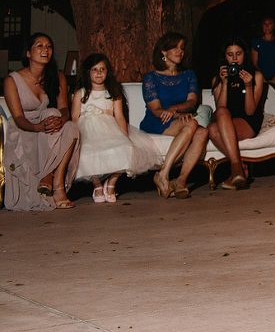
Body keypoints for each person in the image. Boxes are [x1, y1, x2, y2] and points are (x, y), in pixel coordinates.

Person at [2, 33, 80, 210]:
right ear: (28, 53)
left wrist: (61, 120)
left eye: (49, 46)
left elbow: (64, 109)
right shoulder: (12, 80)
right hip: (26, 129)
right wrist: (37, 127)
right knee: (50, 113)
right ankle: (51, 179)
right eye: (40, 46)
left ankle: (53, 179)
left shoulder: (57, 76)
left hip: (49, 127)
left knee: (72, 128)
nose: (45, 49)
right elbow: (18, 118)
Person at [70, 54, 161, 203]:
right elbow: (74, 118)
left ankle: (111, 182)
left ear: (108, 72)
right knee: (85, 151)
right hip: (86, 129)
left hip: (109, 128)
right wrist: (74, 137)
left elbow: (119, 116)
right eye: (94, 69)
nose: (99, 73)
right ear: (88, 72)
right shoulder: (81, 93)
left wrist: (125, 135)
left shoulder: (113, 92)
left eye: (102, 69)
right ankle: (97, 184)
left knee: (125, 148)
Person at [139, 32, 209, 199]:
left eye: (182, 48)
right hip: (157, 121)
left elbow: (192, 103)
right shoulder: (151, 78)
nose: (180, 51)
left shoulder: (189, 75)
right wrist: (177, 115)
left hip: (180, 118)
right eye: (175, 47)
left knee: (203, 132)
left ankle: (180, 181)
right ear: (163, 51)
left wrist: (176, 110)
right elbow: (155, 109)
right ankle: (163, 175)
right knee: (191, 124)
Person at [208, 37, 266, 190]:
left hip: (247, 122)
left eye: (238, 54)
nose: (234, 59)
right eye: (230, 55)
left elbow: (250, 111)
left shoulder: (256, 76)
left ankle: (236, 168)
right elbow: (220, 108)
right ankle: (239, 167)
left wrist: (248, 84)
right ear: (224, 56)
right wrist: (224, 83)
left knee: (218, 123)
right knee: (212, 129)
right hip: (226, 120)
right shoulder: (218, 78)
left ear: (244, 55)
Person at [250, 16, 275, 91]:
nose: (267, 26)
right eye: (265, 24)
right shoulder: (256, 42)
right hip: (261, 79)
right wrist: (262, 78)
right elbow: (254, 63)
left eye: (269, 23)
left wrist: (274, 79)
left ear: (274, 26)